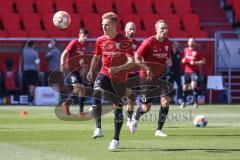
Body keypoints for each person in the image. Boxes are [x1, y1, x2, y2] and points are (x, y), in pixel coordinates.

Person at [86, 12, 143, 150]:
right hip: (104, 72)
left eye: (106, 25)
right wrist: (90, 70)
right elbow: (96, 56)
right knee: (96, 91)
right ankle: (98, 128)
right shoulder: (100, 40)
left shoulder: (124, 41)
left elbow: (132, 61)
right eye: (102, 25)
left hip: (119, 79)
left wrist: (119, 68)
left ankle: (116, 139)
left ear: (114, 25)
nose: (104, 27)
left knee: (117, 108)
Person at [128, 19, 173, 137]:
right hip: (146, 77)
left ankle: (158, 130)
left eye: (166, 28)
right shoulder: (148, 42)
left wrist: (169, 64)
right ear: (156, 30)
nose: (165, 30)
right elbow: (136, 58)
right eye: (162, 28)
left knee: (165, 101)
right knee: (146, 107)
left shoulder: (168, 43)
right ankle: (135, 118)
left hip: (160, 77)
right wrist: (147, 68)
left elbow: (168, 59)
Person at [60, 28, 90, 115]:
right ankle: (66, 103)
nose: (85, 38)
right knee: (77, 87)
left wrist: (83, 67)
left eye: (86, 36)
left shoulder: (84, 46)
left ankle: (81, 112)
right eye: (84, 36)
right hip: (69, 69)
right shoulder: (74, 42)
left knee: (83, 89)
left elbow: (81, 59)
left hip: (77, 70)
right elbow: (64, 53)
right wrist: (62, 64)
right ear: (79, 34)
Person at [180, 38, 205, 109]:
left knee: (193, 85)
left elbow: (203, 61)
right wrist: (183, 60)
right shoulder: (185, 50)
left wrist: (195, 63)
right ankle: (184, 103)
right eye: (190, 41)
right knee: (185, 87)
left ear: (195, 43)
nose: (191, 42)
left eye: (192, 41)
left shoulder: (198, 51)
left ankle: (196, 103)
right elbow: (183, 59)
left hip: (194, 72)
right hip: (187, 71)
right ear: (188, 43)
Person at [124, 22, 141, 127]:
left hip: (133, 75)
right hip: (121, 75)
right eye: (130, 29)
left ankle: (129, 119)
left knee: (131, 99)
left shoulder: (137, 44)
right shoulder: (120, 42)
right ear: (125, 29)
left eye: (134, 29)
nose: (132, 31)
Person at [22, 40, 40, 105]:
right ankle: (31, 100)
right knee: (32, 86)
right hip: (33, 70)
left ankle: (30, 100)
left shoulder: (24, 51)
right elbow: (37, 63)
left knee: (29, 86)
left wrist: (27, 41)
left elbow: (25, 46)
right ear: (33, 45)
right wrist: (38, 70)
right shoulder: (35, 53)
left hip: (26, 70)